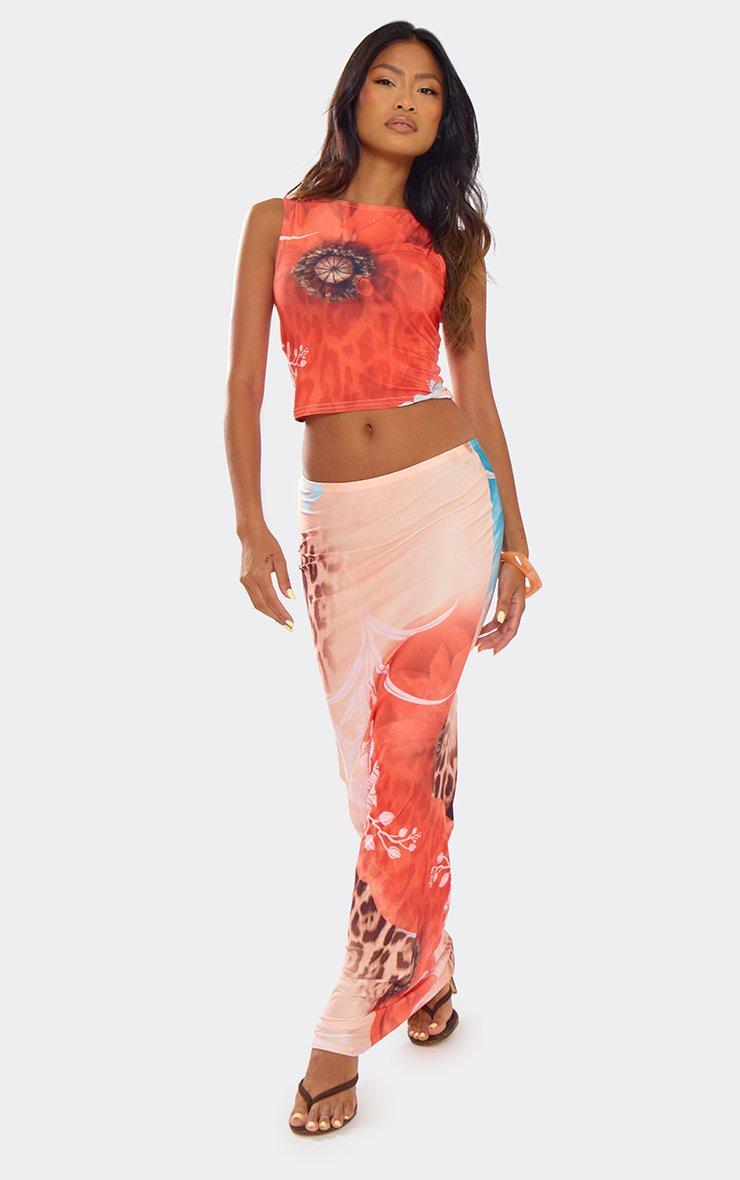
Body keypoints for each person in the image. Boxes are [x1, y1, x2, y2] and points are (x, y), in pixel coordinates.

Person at [224, 19, 542, 1138]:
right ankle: (429, 961)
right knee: (375, 779)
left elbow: (480, 397)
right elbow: (242, 385)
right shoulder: (275, 222)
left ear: (443, 118)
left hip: (445, 507)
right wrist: (250, 524)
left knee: (408, 761)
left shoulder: (449, 242)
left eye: (428, 89)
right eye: (387, 80)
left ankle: (341, 1026)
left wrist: (515, 541)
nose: (406, 99)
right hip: (335, 533)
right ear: (353, 95)